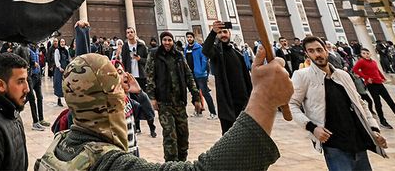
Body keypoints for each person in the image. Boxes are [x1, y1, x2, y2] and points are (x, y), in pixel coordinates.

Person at [35, 49, 292, 170]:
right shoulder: (110, 165)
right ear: (111, 97)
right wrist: (264, 99)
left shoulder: (59, 146)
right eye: (116, 85)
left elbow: (142, 111)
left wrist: (139, 95)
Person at [290, 36, 389, 170]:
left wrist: (373, 129)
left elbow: (360, 103)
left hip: (357, 140)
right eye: (311, 51)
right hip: (334, 145)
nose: (317, 54)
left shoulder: (343, 75)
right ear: (307, 54)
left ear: (326, 50)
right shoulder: (302, 76)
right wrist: (313, 128)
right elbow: (292, 105)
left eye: (319, 50)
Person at [145, 31, 203, 162]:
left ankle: (181, 164)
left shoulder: (179, 55)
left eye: (169, 40)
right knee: (170, 137)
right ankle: (171, 165)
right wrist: (152, 97)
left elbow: (189, 77)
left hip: (180, 103)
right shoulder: (155, 55)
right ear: (161, 41)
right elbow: (149, 77)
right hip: (164, 103)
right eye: (164, 40)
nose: (167, 42)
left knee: (183, 137)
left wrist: (196, 98)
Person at [202, 20, 253, 134]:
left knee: (245, 135)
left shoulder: (238, 54)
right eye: (220, 33)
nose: (223, 35)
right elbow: (205, 50)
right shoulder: (216, 53)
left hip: (242, 102)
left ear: (229, 34)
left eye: (225, 32)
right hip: (226, 101)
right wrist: (212, 33)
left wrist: (250, 97)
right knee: (229, 135)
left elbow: (246, 78)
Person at [352, 49, 395, 130]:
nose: (366, 55)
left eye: (367, 53)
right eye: (364, 53)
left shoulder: (373, 62)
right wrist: (366, 78)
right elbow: (355, 70)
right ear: (361, 55)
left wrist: (383, 77)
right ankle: (382, 121)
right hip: (371, 85)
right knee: (378, 103)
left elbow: (377, 71)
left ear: (370, 54)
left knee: (391, 102)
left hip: (379, 83)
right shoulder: (361, 61)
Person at [184, 31, 217, 119]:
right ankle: (198, 111)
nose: (189, 39)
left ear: (193, 38)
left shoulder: (199, 48)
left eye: (190, 37)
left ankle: (213, 112)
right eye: (188, 37)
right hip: (191, 74)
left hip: (200, 74)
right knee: (195, 94)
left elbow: (204, 59)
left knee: (205, 93)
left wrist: (202, 70)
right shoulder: (186, 49)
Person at [53, 38, 70, 107]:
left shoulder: (66, 50)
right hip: (59, 69)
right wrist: (60, 67)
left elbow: (68, 58)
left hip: (66, 68)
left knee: (67, 84)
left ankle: (67, 99)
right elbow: (56, 60)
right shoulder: (57, 50)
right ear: (59, 43)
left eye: (64, 42)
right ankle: (59, 99)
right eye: (61, 42)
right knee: (59, 84)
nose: (62, 43)